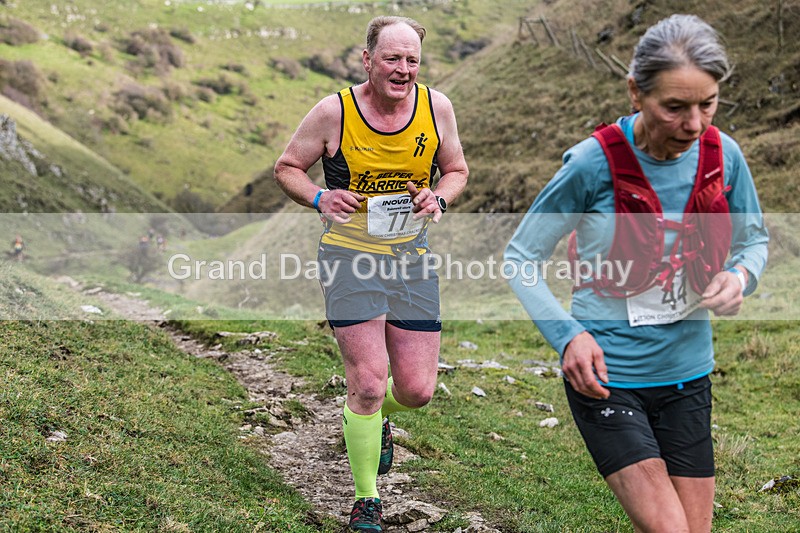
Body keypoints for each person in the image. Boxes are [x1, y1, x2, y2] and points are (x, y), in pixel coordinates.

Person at [504, 14, 768, 533]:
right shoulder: (591, 165)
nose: (694, 125)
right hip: (606, 378)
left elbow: (754, 240)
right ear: (635, 92)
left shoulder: (724, 155)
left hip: (689, 376)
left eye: (707, 104)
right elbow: (520, 259)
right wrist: (568, 337)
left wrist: (740, 277)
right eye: (675, 107)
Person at [274, 15, 468, 531]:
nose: (403, 70)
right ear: (367, 60)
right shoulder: (333, 112)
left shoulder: (436, 108)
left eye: (412, 60)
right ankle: (367, 499)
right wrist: (320, 195)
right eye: (392, 58)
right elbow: (287, 166)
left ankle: (374, 422)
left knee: (415, 391)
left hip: (411, 260)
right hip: (349, 258)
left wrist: (439, 198)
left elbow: (456, 170)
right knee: (366, 383)